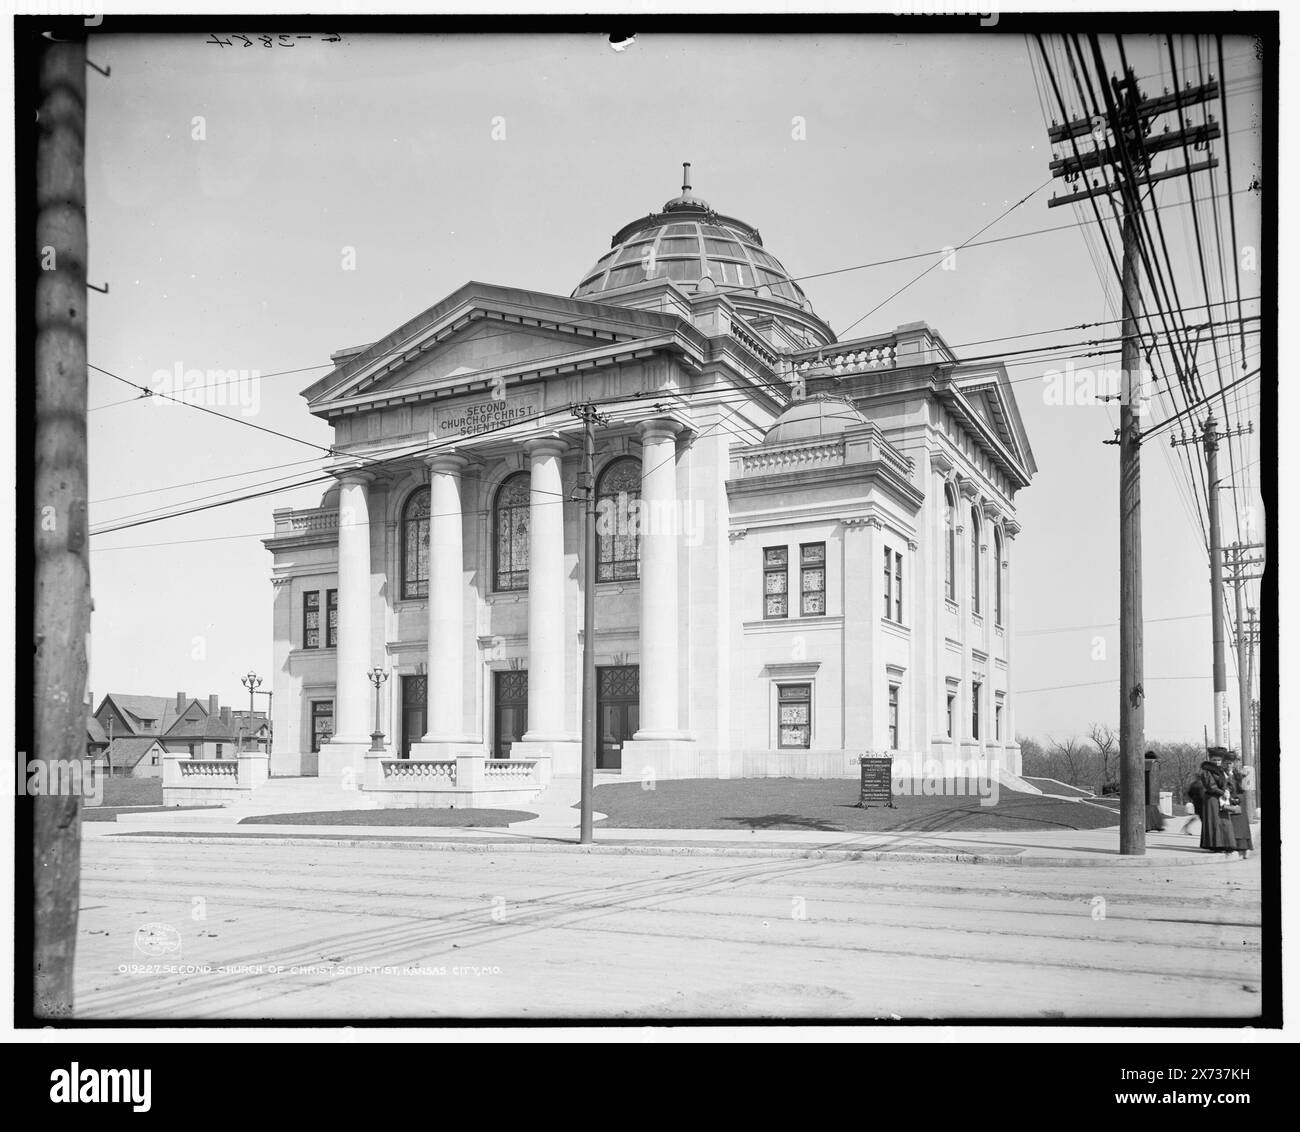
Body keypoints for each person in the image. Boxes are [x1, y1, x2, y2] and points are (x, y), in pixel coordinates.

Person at [1196, 748, 1236, 855]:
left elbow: (1227, 783)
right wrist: (1222, 792)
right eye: (1215, 760)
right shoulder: (1206, 771)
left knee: (1224, 821)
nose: (1217, 762)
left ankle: (1225, 843)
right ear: (1210, 759)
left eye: (1219, 760)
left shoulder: (1221, 770)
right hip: (1212, 799)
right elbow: (1211, 786)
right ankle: (1215, 844)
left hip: (1222, 798)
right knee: (1215, 821)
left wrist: (1228, 789)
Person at [1221, 750, 1253, 859]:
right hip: (1227, 801)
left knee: (1241, 826)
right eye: (1226, 762)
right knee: (1231, 825)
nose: (1228, 765)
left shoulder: (1237, 774)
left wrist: (1243, 777)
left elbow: (1244, 788)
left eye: (1230, 763)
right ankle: (1232, 847)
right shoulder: (1221, 774)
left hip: (1238, 801)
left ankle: (1243, 849)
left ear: (1234, 763)